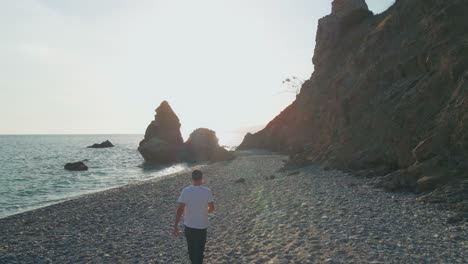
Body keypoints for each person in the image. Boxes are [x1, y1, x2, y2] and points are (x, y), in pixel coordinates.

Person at [174, 170, 215, 264]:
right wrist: (204, 211)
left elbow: (180, 209)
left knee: (191, 248)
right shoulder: (207, 191)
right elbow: (212, 208)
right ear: (201, 178)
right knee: (200, 250)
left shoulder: (186, 191)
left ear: (192, 179)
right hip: (202, 226)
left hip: (189, 226)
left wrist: (175, 226)